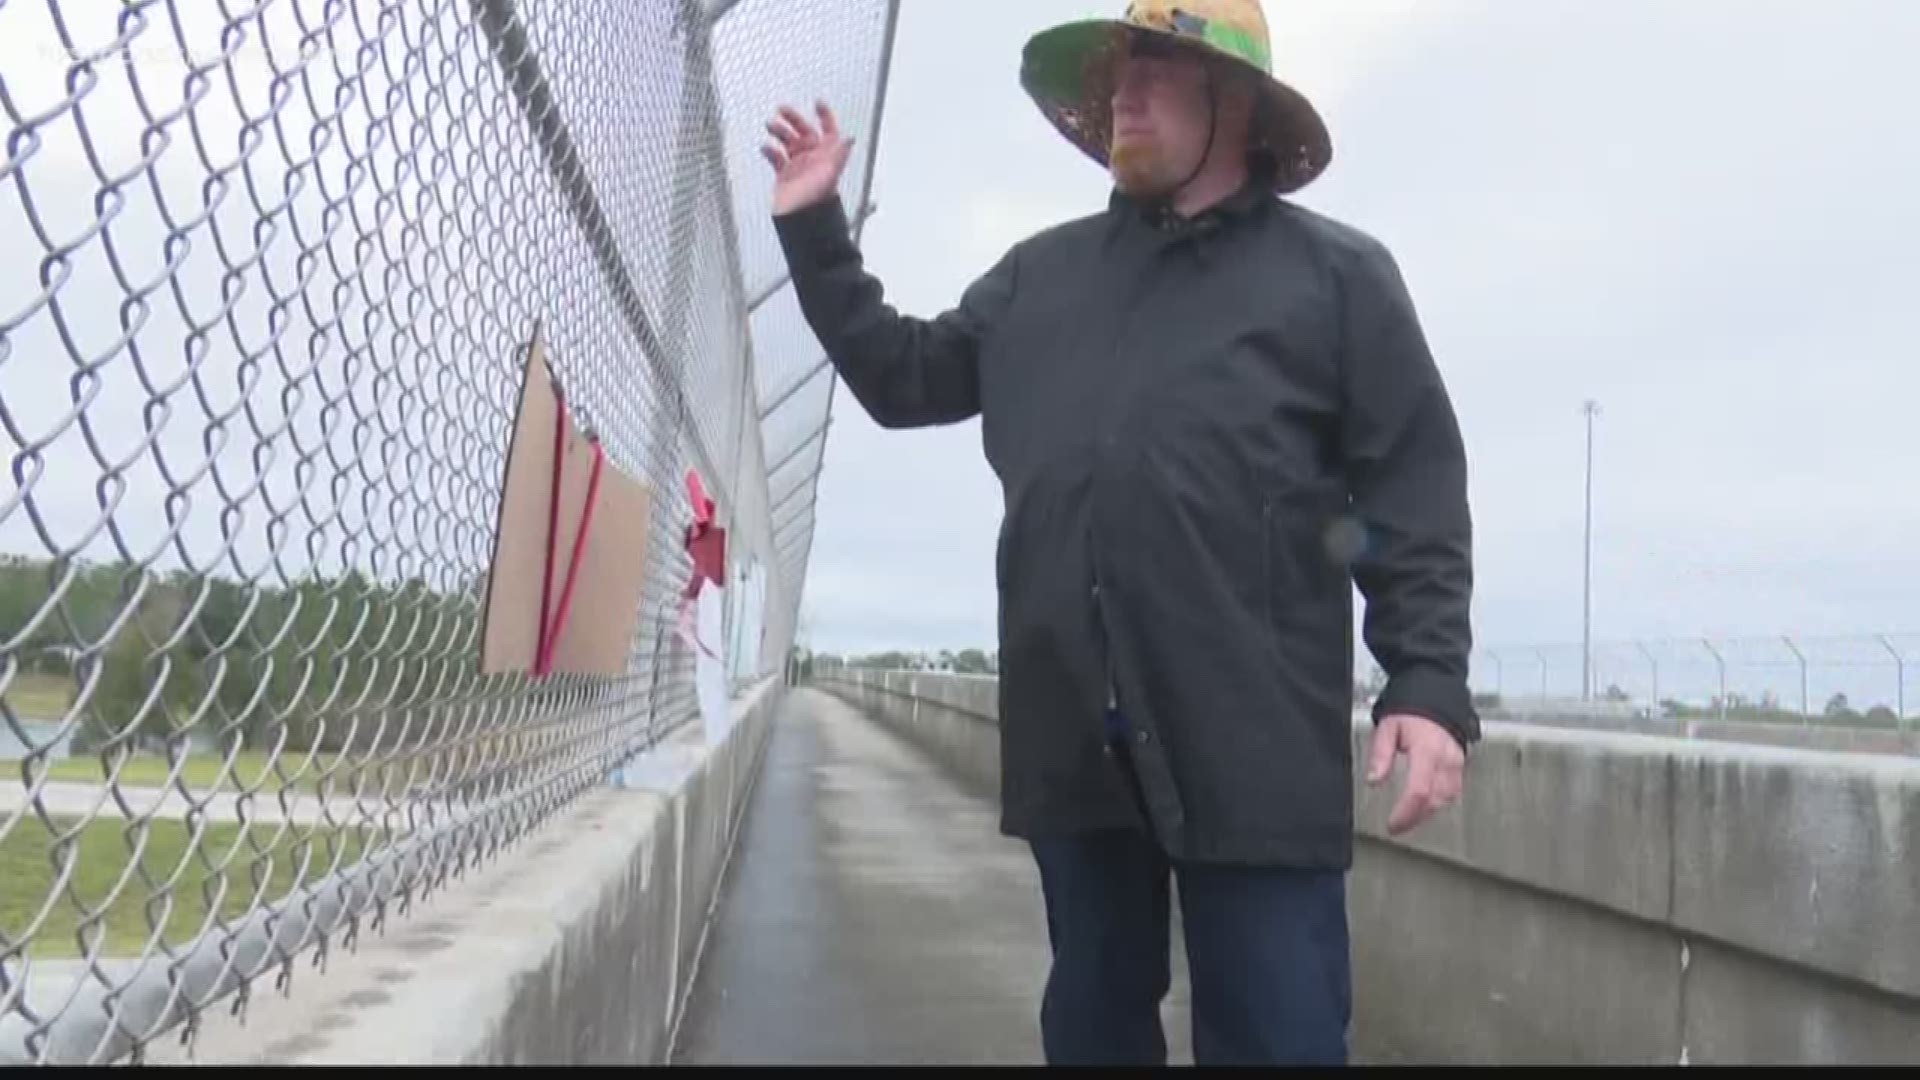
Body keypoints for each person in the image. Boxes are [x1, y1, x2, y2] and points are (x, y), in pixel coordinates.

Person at [762, 0, 1476, 1066]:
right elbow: (903, 378)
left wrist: (1424, 683)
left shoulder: (1337, 281)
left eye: (1156, 70)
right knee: (1093, 1024)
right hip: (1076, 738)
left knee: (1279, 1035)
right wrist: (816, 233)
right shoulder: (1038, 279)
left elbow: (1410, 484)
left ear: (1234, 101)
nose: (1122, 96)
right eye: (1114, 78)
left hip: (1254, 735)